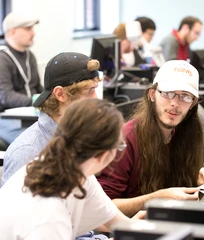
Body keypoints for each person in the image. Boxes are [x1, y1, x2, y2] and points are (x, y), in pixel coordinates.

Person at [0, 98, 145, 239]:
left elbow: (110, 220)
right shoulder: (48, 216)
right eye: (119, 146)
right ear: (103, 155)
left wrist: (137, 228)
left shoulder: (79, 175)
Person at [97, 60, 204, 217]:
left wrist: (200, 186)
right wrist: (155, 198)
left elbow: (183, 196)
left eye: (185, 96)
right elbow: (102, 210)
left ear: (193, 103)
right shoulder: (125, 140)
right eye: (167, 93)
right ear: (152, 94)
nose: (175, 103)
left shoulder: (188, 134)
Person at [1, 52, 101, 187]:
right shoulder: (28, 152)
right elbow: (12, 207)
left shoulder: (77, 136)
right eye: (89, 91)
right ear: (60, 94)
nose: (96, 99)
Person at [0, 12, 43, 144]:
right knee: (39, 142)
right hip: (7, 119)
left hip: (31, 115)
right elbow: (5, 96)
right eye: (28, 29)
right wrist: (38, 102)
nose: (33, 33)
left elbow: (38, 88)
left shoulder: (30, 56)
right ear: (12, 32)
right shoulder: (2, 58)